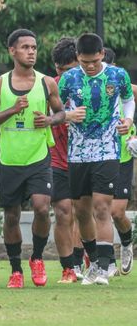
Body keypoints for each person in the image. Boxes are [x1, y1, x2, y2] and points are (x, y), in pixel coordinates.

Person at [0, 29, 65, 289]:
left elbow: (62, 113)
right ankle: (15, 269)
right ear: (12, 51)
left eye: (34, 47)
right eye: (25, 47)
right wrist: (12, 110)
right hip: (11, 160)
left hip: (39, 157)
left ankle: (37, 258)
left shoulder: (46, 82)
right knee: (12, 216)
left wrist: (50, 120)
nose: (31, 51)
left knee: (41, 207)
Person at [59, 33, 134, 285]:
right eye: (84, 62)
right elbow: (55, 109)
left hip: (107, 150)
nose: (89, 66)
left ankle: (104, 266)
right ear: (78, 57)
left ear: (102, 54)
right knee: (81, 211)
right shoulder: (68, 78)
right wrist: (69, 115)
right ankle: (93, 260)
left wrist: (128, 120)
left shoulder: (117, 75)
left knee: (103, 207)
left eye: (93, 61)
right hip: (78, 153)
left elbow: (128, 99)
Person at [48, 37, 81, 283]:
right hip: (57, 158)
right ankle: (68, 267)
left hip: (87, 158)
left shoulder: (92, 85)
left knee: (84, 212)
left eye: (71, 70)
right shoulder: (50, 88)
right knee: (63, 212)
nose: (66, 75)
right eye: (62, 70)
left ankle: (84, 259)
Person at [101, 49, 136, 276]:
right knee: (98, 209)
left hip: (122, 156)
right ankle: (106, 261)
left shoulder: (127, 88)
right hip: (98, 155)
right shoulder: (87, 85)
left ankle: (126, 242)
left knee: (116, 212)